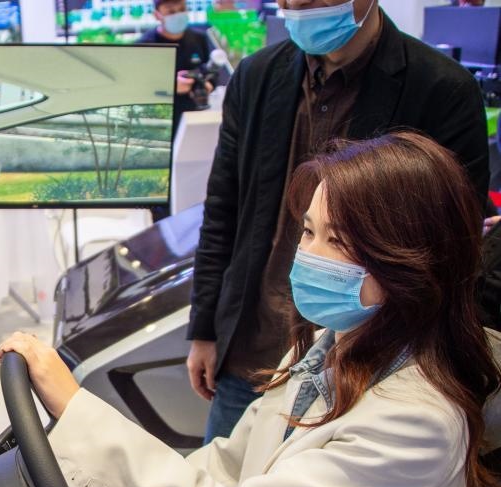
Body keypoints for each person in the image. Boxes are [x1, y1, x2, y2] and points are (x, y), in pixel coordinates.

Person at [0, 131, 501, 487]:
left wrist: (74, 407)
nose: (310, 257)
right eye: (309, 231)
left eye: (340, 243)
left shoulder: (417, 422)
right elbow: (232, 462)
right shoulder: (331, 346)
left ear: (412, 262)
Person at [185, 0, 490, 443]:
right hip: (252, 343)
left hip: (365, 362)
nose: (295, 7)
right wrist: (205, 328)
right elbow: (223, 211)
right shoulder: (257, 76)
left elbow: (453, 246)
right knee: (228, 471)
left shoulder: (441, 89)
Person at [137, 0, 213, 136]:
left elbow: (210, 72)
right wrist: (170, 86)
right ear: (157, 15)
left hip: (194, 117)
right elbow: (139, 87)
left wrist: (206, 84)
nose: (178, 15)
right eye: (171, 11)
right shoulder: (145, 45)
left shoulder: (199, 38)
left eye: (182, 9)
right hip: (161, 122)